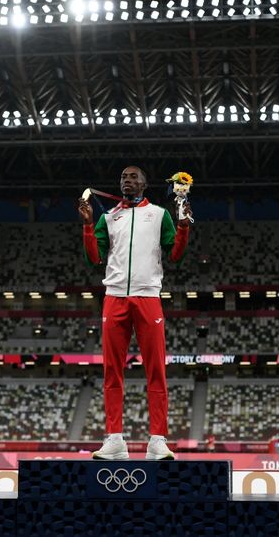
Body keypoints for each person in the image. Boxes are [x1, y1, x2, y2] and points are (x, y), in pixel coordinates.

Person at [78, 166, 191, 460]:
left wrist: (183, 227)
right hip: (114, 297)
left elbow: (176, 255)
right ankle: (115, 439)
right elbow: (94, 258)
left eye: (133, 177)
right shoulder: (108, 217)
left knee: (156, 369)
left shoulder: (159, 214)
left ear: (144, 183)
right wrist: (89, 225)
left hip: (148, 298)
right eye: (123, 177)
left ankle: (157, 440)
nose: (127, 180)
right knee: (112, 371)